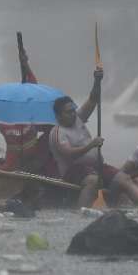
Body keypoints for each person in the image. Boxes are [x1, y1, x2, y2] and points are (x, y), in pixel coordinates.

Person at [48, 66, 121, 208]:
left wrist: (97, 80)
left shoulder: (78, 118)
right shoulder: (57, 132)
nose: (73, 114)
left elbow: (93, 100)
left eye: (73, 110)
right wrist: (92, 145)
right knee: (93, 180)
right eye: (68, 112)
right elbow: (68, 154)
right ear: (58, 116)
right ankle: (82, 213)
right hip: (74, 172)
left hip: (95, 167)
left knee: (124, 179)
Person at [0, 49, 55, 174]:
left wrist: (25, 64)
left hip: (32, 163)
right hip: (12, 165)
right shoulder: (3, 124)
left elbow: (33, 87)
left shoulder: (31, 116)